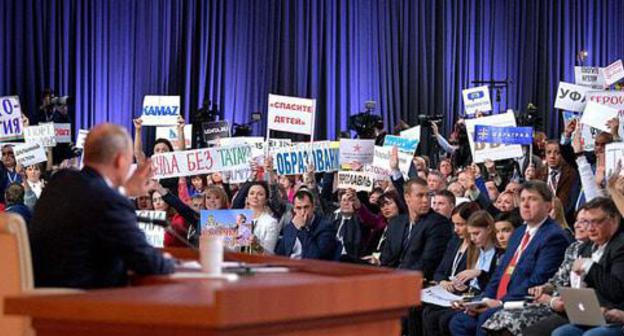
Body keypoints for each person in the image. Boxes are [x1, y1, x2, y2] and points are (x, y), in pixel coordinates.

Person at [28, 123, 174, 288]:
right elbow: (147, 262)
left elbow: (91, 201)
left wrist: (124, 191)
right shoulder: (109, 201)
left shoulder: (60, 181)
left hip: (40, 300)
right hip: (85, 303)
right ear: (120, 161)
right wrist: (172, 264)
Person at [449, 180, 571, 336]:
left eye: (532, 199)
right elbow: (500, 272)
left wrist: (500, 302)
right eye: (522, 199)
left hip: (523, 302)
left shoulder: (553, 237)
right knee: (458, 321)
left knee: (487, 318)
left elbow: (538, 280)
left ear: (548, 206)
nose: (525, 204)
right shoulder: (519, 232)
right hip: (498, 299)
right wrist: (485, 299)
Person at [482, 207, 591, 335]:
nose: (577, 225)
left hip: (578, 309)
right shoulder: (574, 248)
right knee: (492, 320)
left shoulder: (555, 237)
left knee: (508, 321)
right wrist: (545, 287)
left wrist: (552, 299)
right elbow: (558, 280)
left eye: (584, 221)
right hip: (555, 303)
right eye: (577, 220)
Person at [380, 177, 452, 279]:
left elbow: (427, 262)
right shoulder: (396, 223)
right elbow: (386, 258)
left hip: (418, 283)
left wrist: (396, 277)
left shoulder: (439, 223)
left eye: (428, 195)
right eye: (420, 195)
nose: (426, 200)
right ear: (407, 197)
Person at [275, 189, 337, 260]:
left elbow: (315, 258)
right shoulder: (290, 226)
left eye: (306, 207)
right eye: (299, 208)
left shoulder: (326, 227)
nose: (303, 212)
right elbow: (279, 254)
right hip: (291, 267)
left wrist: (302, 229)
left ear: (313, 207)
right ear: (294, 209)